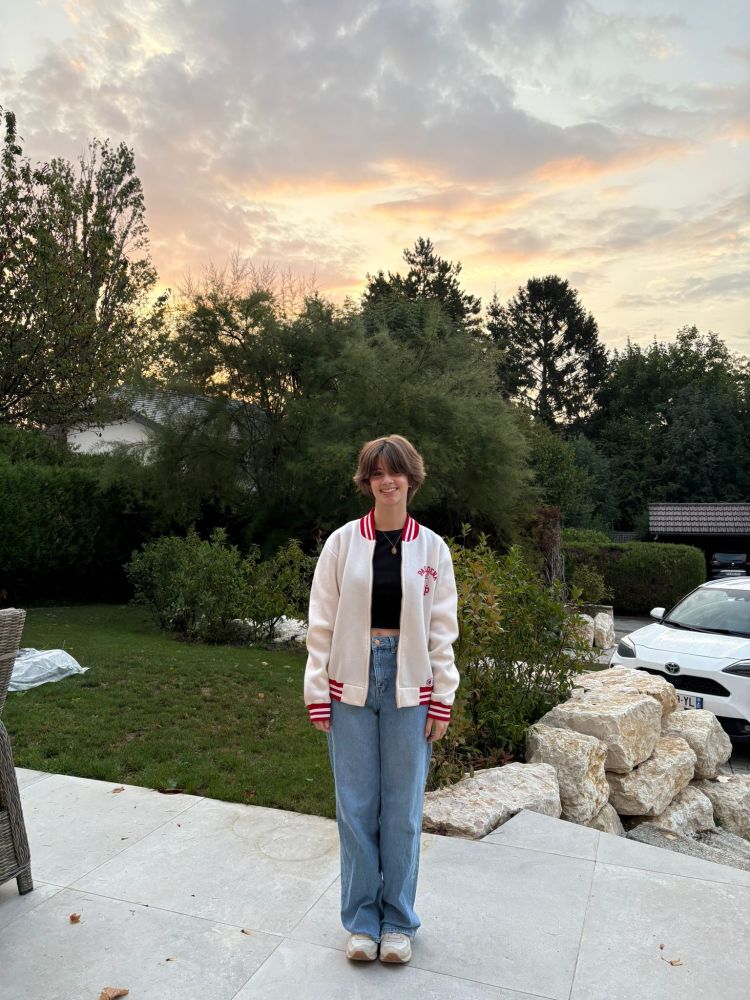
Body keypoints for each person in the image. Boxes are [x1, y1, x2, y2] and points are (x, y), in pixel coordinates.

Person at [304, 434, 459, 964]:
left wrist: (443, 695)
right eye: (376, 473)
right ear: (367, 482)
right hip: (349, 681)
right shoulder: (343, 543)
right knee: (356, 807)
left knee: (403, 810)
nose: (386, 481)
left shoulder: (432, 549)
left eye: (395, 472)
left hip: (410, 685)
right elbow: (321, 622)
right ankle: (361, 922)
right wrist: (316, 690)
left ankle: (398, 923)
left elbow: (442, 629)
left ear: (411, 478)